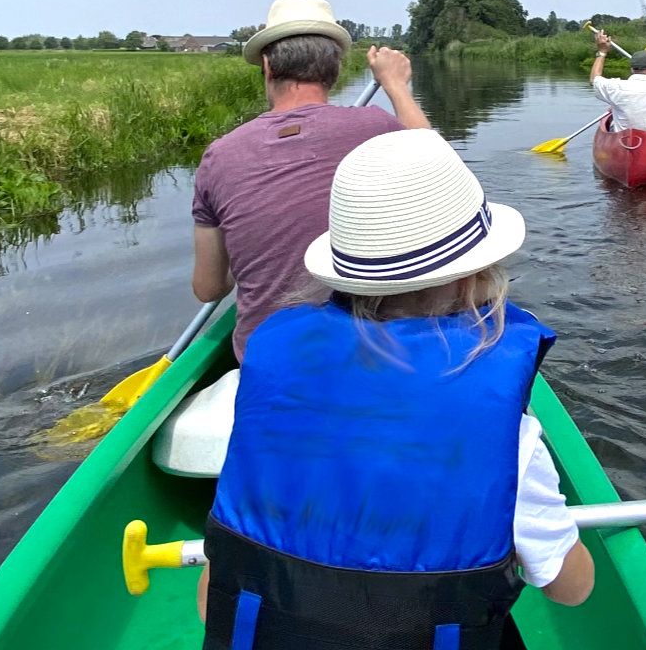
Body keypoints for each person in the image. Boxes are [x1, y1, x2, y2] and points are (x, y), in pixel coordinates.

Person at [197, 129, 594, 649]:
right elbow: (572, 589)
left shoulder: (274, 379)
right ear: (473, 275)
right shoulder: (505, 438)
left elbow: (211, 600)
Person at [192, 0, 430, 360]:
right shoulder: (376, 127)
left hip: (268, 363)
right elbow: (434, 160)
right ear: (334, 70)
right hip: (371, 354)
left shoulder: (218, 156)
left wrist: (244, 261)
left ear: (268, 66)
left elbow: (209, 288)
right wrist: (394, 84)